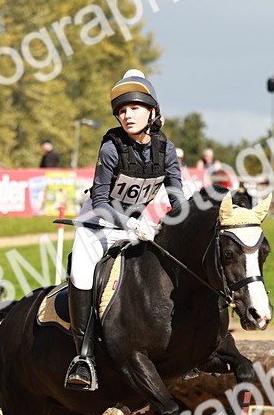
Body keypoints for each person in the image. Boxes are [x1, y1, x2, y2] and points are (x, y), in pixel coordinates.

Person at [64, 69, 185, 391]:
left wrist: (180, 222)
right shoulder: (111, 147)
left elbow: (176, 195)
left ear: (152, 113)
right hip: (98, 224)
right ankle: (83, 358)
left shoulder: (166, 149)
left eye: (133, 108)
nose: (126, 115)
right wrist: (126, 223)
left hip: (138, 226)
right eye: (121, 110)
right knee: (82, 273)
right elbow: (101, 199)